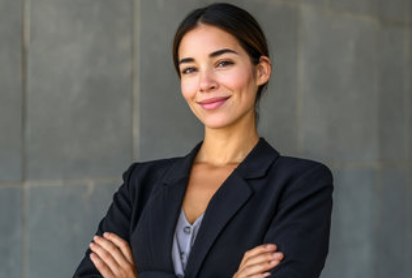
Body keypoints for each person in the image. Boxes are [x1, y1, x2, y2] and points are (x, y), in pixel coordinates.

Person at [73, 3, 333, 278]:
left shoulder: (300, 184)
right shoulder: (141, 183)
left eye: (223, 63)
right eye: (189, 69)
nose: (205, 83)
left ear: (261, 71)